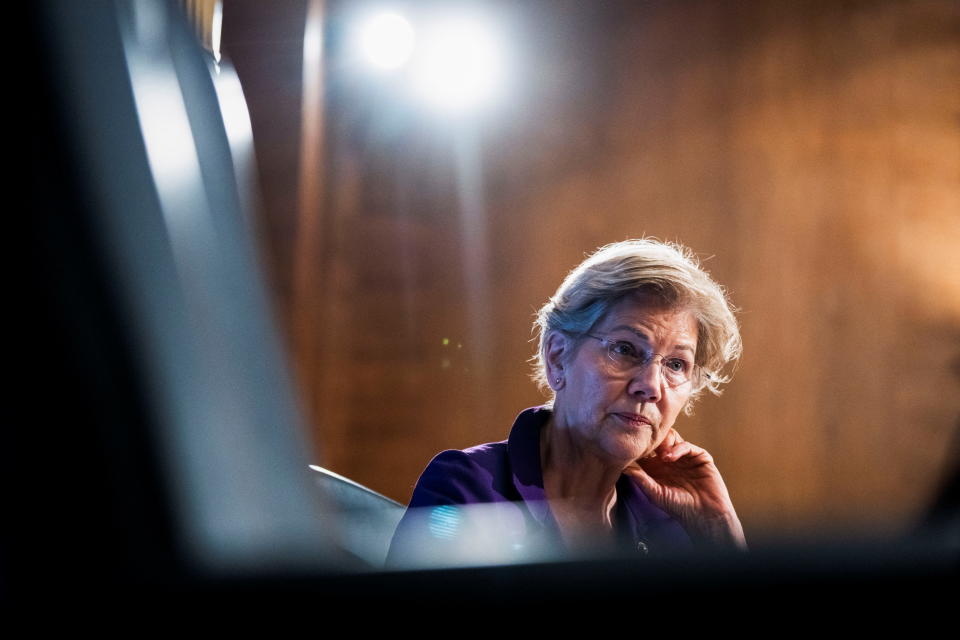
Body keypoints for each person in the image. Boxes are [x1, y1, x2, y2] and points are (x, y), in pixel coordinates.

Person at [386, 239, 746, 566]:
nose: (650, 387)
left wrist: (719, 527)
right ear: (558, 357)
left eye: (675, 364)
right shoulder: (470, 491)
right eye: (624, 349)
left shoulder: (670, 518)